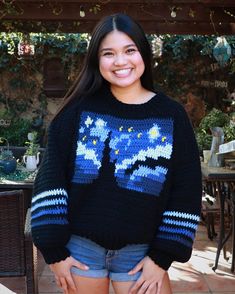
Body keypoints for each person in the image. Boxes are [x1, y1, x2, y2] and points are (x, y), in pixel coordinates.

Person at [31, 13, 202, 294]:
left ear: (143, 54)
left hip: (143, 253)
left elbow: (186, 189)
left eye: (129, 50)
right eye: (108, 53)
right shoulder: (77, 111)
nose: (121, 61)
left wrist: (162, 258)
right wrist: (54, 252)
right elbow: (50, 177)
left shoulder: (171, 115)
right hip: (81, 250)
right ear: (97, 61)